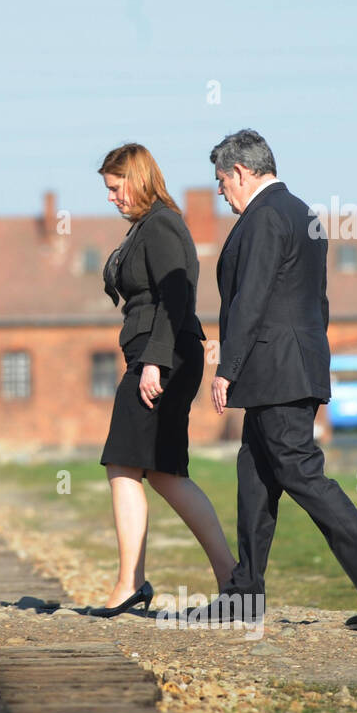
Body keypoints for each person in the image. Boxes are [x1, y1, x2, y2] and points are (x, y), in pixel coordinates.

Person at [202, 129, 357, 629]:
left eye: (220, 180)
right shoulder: (302, 213)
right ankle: (244, 595)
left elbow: (250, 299)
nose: (218, 191)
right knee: (254, 477)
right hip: (291, 368)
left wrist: (225, 369)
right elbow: (316, 302)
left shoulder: (265, 217)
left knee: (298, 471)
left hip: (276, 372)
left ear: (240, 172)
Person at [90, 143, 237, 618]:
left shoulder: (163, 224)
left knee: (122, 463)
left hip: (164, 357)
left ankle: (130, 583)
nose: (111, 198)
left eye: (115, 188)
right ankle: (235, 582)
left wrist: (154, 362)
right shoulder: (145, 228)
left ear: (136, 179)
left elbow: (178, 295)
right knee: (164, 472)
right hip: (161, 354)